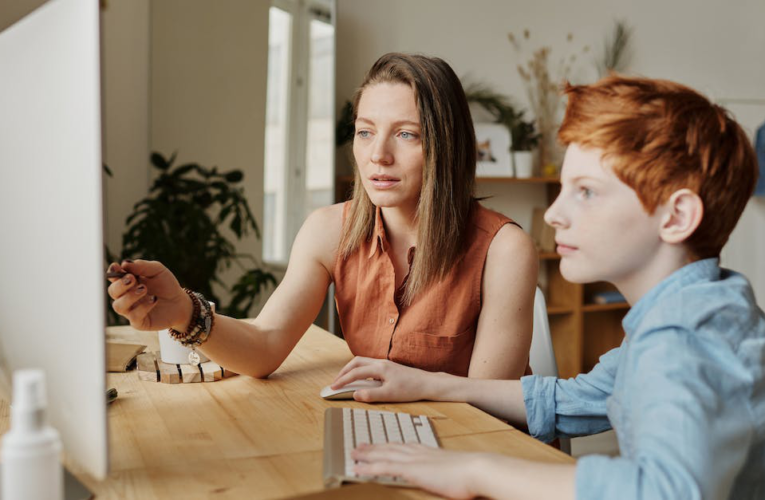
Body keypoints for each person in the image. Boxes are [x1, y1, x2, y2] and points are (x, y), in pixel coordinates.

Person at [334, 75, 765, 499]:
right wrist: (432, 384)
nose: (554, 214)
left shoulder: (683, 338)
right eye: (562, 189)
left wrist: (476, 470)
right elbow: (576, 399)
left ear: (676, 217)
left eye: (587, 193)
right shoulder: (696, 310)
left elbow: (663, 491)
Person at [106, 52, 538, 380]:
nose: (378, 155)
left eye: (407, 134)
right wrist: (184, 311)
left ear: (447, 147)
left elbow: (488, 408)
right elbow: (264, 346)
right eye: (365, 131)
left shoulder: (504, 249)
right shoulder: (329, 230)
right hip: (389, 437)